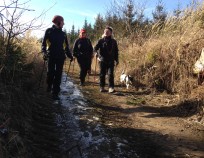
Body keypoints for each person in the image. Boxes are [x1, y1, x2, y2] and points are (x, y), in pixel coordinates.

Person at [42, 15, 73, 100]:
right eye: (63, 22)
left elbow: (66, 46)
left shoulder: (63, 34)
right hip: (50, 56)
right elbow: (43, 44)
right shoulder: (48, 31)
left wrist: (70, 56)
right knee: (50, 73)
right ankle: (49, 85)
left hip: (60, 57)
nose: (64, 23)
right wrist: (44, 53)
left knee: (58, 75)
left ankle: (55, 93)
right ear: (58, 22)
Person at [94, 26, 119, 93]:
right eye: (105, 31)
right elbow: (95, 48)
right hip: (102, 60)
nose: (106, 32)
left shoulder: (114, 41)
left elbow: (116, 51)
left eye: (108, 32)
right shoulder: (100, 40)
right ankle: (102, 87)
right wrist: (97, 54)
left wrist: (117, 60)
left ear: (111, 33)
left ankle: (111, 88)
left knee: (110, 74)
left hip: (111, 61)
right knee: (102, 74)